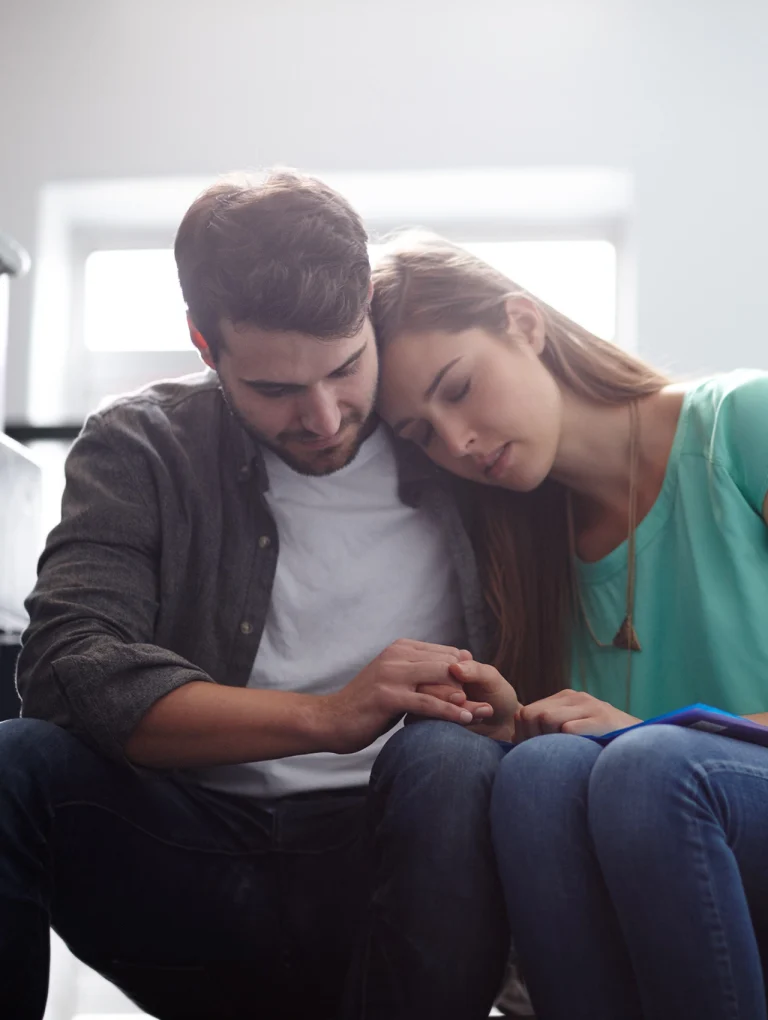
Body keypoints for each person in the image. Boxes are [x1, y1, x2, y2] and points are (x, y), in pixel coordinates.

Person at [0, 176, 512, 1020]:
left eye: (346, 368)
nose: (321, 416)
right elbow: (67, 666)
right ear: (205, 345)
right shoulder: (143, 445)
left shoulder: (459, 445)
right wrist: (325, 715)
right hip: (187, 861)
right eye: (275, 390)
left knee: (451, 758)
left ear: (369, 316)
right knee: (13, 763)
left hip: (396, 866)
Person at [372, 231, 768, 1020]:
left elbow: (646, 759)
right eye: (421, 433)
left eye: (457, 388)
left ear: (524, 322)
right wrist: (513, 721)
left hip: (713, 805)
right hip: (675, 858)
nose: (457, 442)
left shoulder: (743, 424)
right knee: (537, 774)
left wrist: (659, 735)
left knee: (648, 765)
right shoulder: (522, 561)